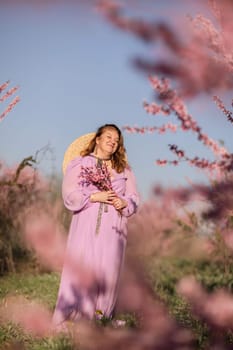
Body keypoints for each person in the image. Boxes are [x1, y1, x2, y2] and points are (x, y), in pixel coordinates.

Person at [53, 124, 139, 326]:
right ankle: (76, 314)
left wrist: (124, 202)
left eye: (117, 140)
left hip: (114, 228)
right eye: (109, 137)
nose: (113, 142)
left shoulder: (123, 169)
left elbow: (134, 197)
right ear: (98, 139)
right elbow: (70, 194)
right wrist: (94, 196)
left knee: (108, 269)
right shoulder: (80, 164)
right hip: (86, 223)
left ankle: (101, 317)